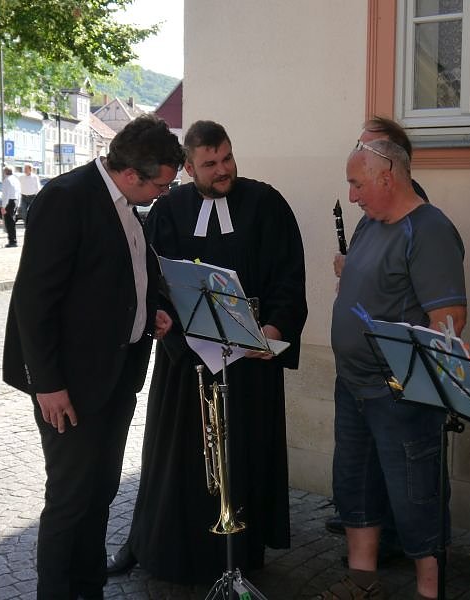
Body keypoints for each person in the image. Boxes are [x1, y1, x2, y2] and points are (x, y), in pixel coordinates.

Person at [108, 120, 308, 584]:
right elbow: (149, 274)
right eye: (210, 164)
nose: (223, 170)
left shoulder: (266, 203)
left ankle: (240, 551)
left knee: (242, 457)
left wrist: (274, 327)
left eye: (227, 158)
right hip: (185, 363)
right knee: (174, 461)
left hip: (250, 364)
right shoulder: (169, 208)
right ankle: (155, 545)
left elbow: (289, 275)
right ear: (189, 167)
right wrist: (161, 319)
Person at [2, 114, 184, 600]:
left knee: (101, 492)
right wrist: (48, 384)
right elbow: (33, 301)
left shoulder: (126, 202)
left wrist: (155, 312)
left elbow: (133, 273)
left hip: (117, 375)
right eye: (162, 185)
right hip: (72, 383)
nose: (164, 193)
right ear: (131, 174)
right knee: (69, 499)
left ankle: (89, 588)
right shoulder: (66, 198)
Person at [324, 139, 466, 599]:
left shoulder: (428, 229)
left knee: (416, 497)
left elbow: (449, 320)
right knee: (355, 486)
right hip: (355, 387)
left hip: (399, 392)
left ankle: (430, 592)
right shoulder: (370, 223)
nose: (352, 196)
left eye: (357, 183)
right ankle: (362, 583)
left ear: (388, 177)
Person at [327, 117, 429, 557]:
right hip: (356, 378)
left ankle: (414, 565)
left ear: (389, 167)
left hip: (392, 382)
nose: (357, 158)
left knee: (409, 486)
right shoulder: (372, 218)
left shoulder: (417, 218)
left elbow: (440, 314)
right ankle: (366, 569)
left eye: (365, 152)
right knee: (357, 478)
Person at [0, 165, 21, 248]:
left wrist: (3, 206)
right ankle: (13, 240)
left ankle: (12, 241)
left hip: (9, 202)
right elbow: (19, 193)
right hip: (14, 201)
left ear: (5, 172)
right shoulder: (16, 180)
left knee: (9, 223)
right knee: (12, 222)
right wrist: (18, 204)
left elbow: (6, 195)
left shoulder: (6, 180)